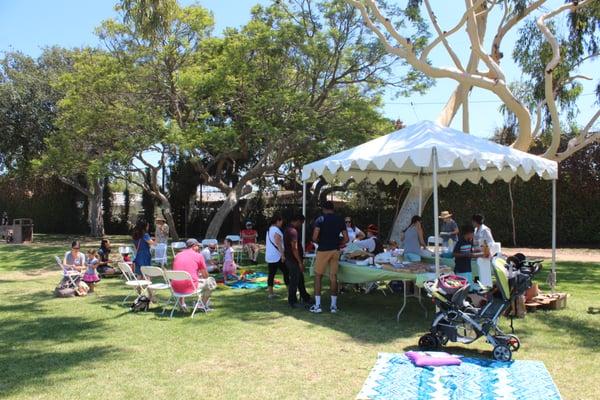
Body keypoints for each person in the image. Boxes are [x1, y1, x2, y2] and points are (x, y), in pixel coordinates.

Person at [311, 201, 348, 314]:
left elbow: (314, 237)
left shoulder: (320, 219)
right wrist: (338, 243)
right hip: (335, 250)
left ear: (323, 209)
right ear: (333, 209)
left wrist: (320, 242)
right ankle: (333, 306)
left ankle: (317, 305)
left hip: (323, 250)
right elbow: (346, 238)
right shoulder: (340, 220)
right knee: (333, 277)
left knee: (318, 276)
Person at [171, 239, 215, 312]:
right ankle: (202, 305)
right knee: (211, 281)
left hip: (176, 288)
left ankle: (181, 304)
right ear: (194, 246)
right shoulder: (198, 256)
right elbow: (206, 276)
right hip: (189, 286)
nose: (199, 248)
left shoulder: (177, 255)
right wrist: (200, 276)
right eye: (198, 246)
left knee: (182, 279)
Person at [284, 214, 312, 308]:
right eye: (301, 223)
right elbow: (294, 248)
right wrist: (300, 262)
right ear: (297, 221)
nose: (301, 225)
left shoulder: (288, 229)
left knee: (300, 280)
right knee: (294, 281)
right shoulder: (293, 231)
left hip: (291, 259)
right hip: (293, 260)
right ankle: (292, 301)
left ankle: (305, 297)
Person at [265, 213, 289, 299]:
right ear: (278, 221)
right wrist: (282, 255)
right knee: (286, 272)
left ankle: (270, 294)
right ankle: (290, 291)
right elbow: (278, 243)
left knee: (271, 274)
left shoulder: (269, 229)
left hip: (270, 256)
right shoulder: (276, 230)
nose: (282, 223)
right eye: (281, 221)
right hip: (277, 256)